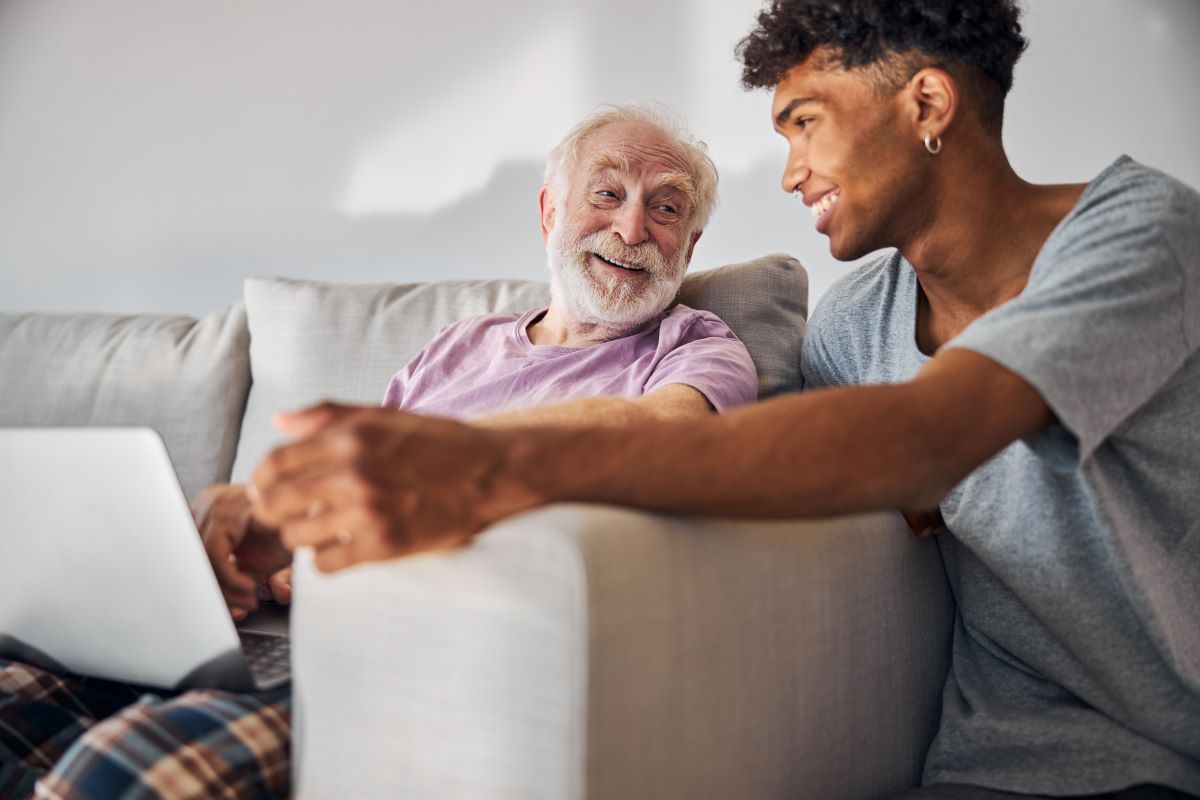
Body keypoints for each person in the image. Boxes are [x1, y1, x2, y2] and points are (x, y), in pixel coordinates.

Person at [244, 1, 1200, 798]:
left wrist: (492, 461)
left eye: (805, 121)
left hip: (1158, 754)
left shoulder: (1140, 233)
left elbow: (924, 438)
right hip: (981, 761)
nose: (789, 173)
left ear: (927, 102)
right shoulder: (853, 323)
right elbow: (832, 476)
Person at [0, 103, 758, 800]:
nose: (631, 229)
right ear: (549, 211)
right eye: (606, 193)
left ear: (689, 244)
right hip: (290, 628)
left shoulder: (695, 347)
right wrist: (271, 556)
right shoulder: (461, 346)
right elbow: (355, 498)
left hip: (407, 659)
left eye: (666, 207)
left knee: (114, 775)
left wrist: (389, 469)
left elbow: (675, 433)